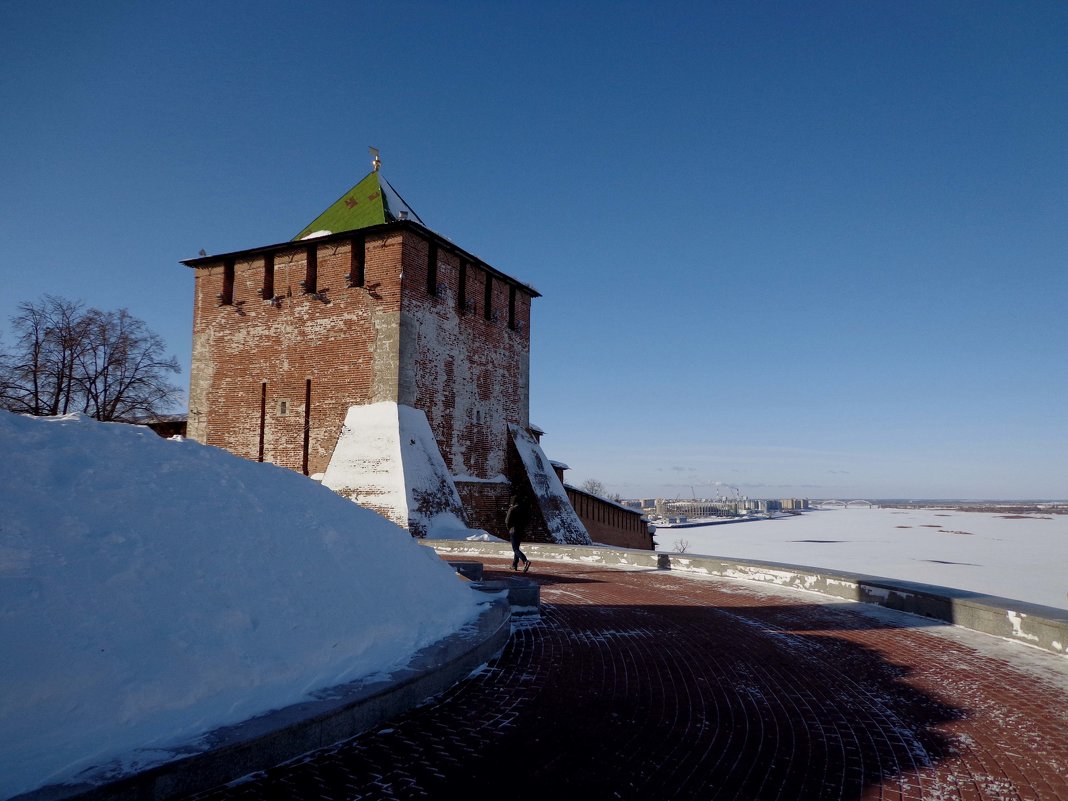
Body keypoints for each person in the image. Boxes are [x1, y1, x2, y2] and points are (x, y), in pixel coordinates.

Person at [505, 494, 531, 573]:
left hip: (513, 530)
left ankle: (525, 561)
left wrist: (509, 528)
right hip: (521, 530)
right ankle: (514, 564)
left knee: (515, 548)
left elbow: (507, 521)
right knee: (517, 547)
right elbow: (527, 520)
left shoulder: (512, 509)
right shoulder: (524, 509)